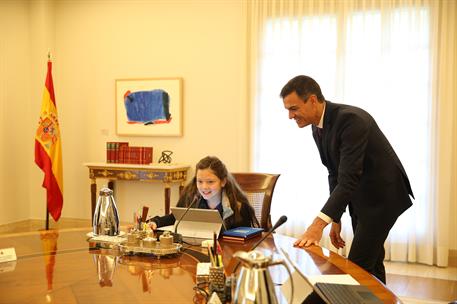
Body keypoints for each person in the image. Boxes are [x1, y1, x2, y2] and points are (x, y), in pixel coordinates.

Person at [279, 75, 414, 283]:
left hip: (382, 198)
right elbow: (334, 173)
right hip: (361, 197)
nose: (290, 116)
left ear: (313, 100)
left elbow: (348, 178)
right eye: (288, 109)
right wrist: (336, 218)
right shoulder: (317, 127)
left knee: (356, 268)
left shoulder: (351, 120)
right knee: (373, 261)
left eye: (294, 108)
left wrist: (317, 226)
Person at [148, 156, 259, 231]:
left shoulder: (239, 207)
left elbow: (244, 239)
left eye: (210, 182)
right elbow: (176, 218)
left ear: (223, 182)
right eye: (200, 181)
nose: (204, 187)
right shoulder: (190, 196)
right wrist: (156, 222)